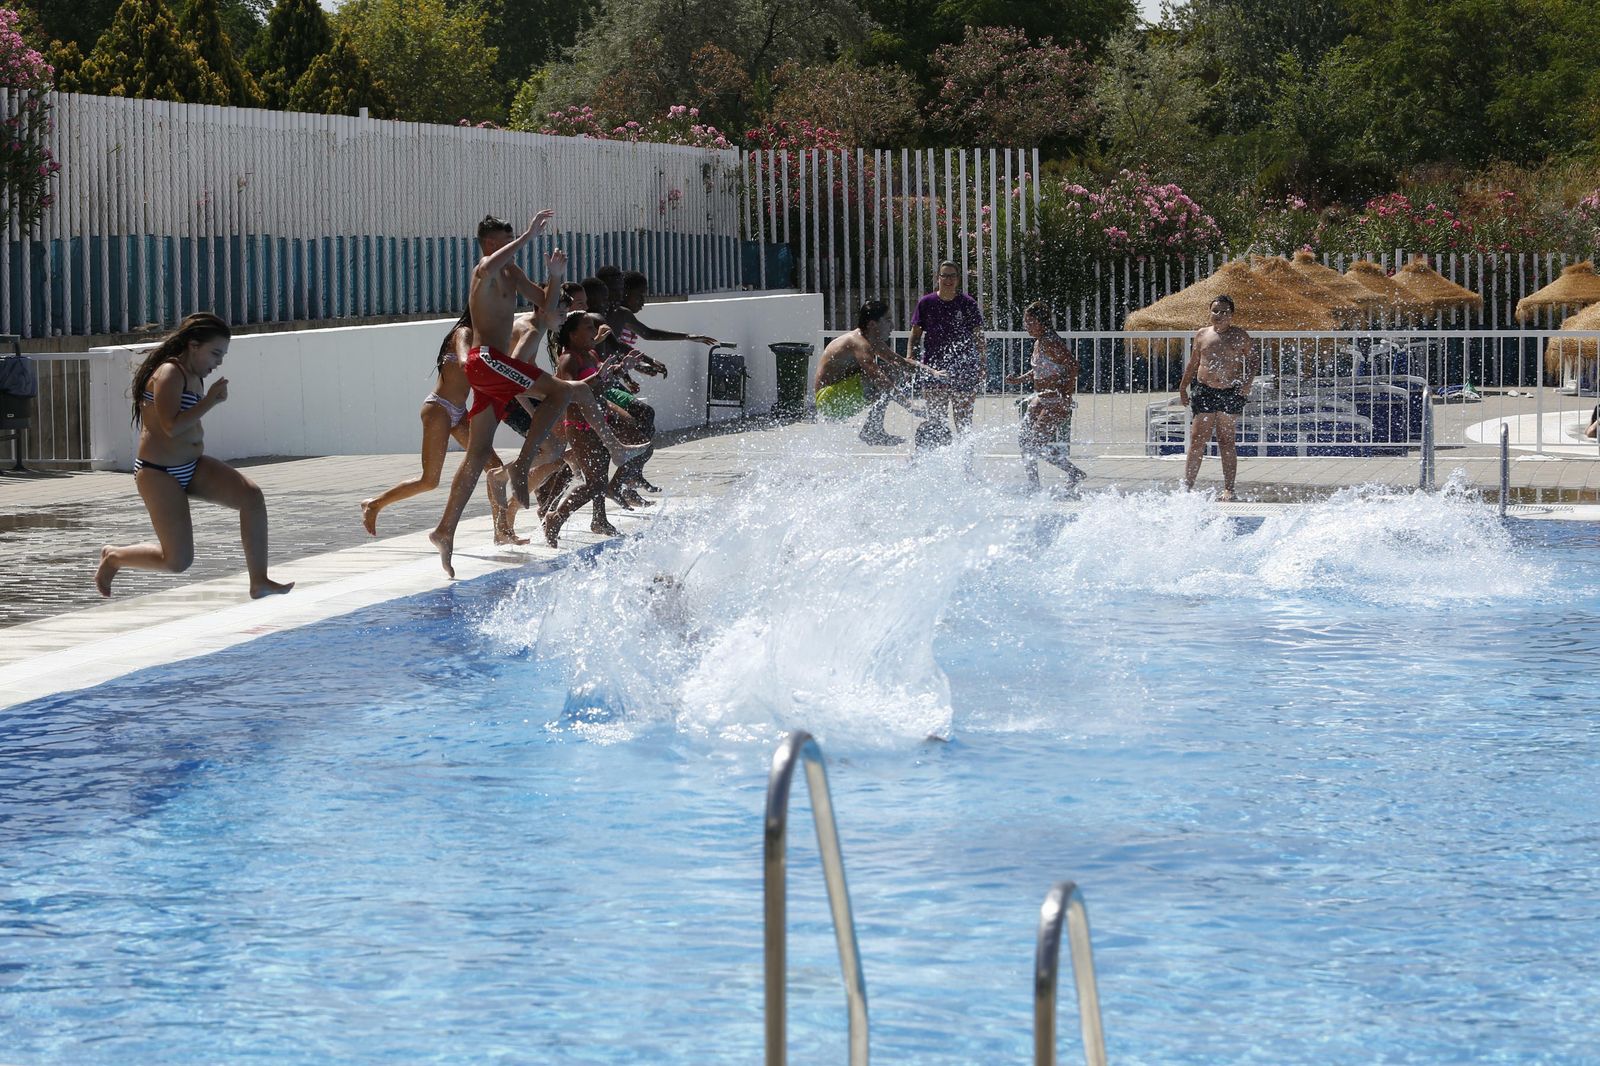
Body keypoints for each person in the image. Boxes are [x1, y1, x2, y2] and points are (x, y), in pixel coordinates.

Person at [429, 215, 641, 577]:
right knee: (566, 391)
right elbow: (497, 263)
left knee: (478, 454)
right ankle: (530, 463)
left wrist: (556, 274)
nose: (508, 248)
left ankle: (444, 530)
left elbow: (546, 301)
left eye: (511, 240)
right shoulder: (484, 269)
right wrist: (528, 235)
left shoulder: (512, 275)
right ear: (487, 245)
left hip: (492, 370)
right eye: (502, 242)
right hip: (488, 361)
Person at [95, 313, 294, 599]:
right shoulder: (169, 373)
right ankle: (115, 556)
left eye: (222, 355)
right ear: (193, 346)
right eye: (215, 353)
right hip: (158, 473)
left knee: (252, 497)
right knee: (177, 561)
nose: (219, 362)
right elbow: (171, 426)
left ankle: (259, 580)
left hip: (192, 465)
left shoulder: (194, 375)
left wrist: (208, 398)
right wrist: (211, 400)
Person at [358, 309, 513, 539]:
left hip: (458, 412)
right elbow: (463, 362)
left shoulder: (481, 339)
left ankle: (501, 531)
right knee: (429, 480)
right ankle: (374, 504)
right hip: (438, 408)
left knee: (493, 466)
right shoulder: (463, 332)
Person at [541, 311, 644, 547]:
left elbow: (602, 381)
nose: (594, 331)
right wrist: (597, 377)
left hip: (600, 420)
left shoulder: (590, 353)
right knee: (595, 483)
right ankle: (555, 518)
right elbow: (567, 392)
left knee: (606, 471)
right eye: (588, 327)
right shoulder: (568, 359)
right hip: (580, 425)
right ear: (573, 334)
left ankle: (597, 515)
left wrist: (620, 369)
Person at [814, 298, 939, 443]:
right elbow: (879, 378)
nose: (892, 325)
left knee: (893, 369)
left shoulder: (872, 341)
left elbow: (903, 362)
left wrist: (932, 372)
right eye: (888, 320)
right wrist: (910, 406)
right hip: (828, 402)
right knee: (887, 375)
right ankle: (873, 429)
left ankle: (873, 428)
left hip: (840, 396)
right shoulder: (859, 343)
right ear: (872, 324)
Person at [1178, 294, 1255, 501]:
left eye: (1224, 312)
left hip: (1229, 392)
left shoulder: (1240, 336)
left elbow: (1254, 361)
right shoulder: (1202, 334)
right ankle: (1187, 488)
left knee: (1226, 440)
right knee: (1197, 441)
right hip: (1205, 391)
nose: (1219, 315)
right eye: (1216, 311)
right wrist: (1183, 387)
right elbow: (1194, 363)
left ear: (1232, 315)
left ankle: (1229, 488)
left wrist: (1247, 383)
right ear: (1210, 312)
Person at [1007, 301, 1086, 492]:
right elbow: (1039, 369)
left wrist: (1065, 394)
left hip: (1055, 400)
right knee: (1025, 441)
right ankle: (1034, 485)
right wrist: (1019, 380)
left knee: (1034, 444)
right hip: (1041, 397)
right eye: (1025, 322)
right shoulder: (1039, 342)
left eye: (1030, 322)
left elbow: (1073, 366)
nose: (1027, 326)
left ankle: (1074, 472)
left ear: (1042, 322)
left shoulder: (1051, 341)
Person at [908, 260, 985, 434]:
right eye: (944, 275)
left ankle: (966, 459)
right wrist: (910, 356)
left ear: (958, 279)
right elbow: (915, 334)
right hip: (934, 368)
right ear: (938, 278)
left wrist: (982, 362)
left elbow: (978, 335)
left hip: (964, 369)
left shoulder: (967, 303)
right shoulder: (926, 302)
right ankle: (936, 458)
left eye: (952, 276)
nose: (948, 279)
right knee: (936, 422)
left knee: (964, 423)